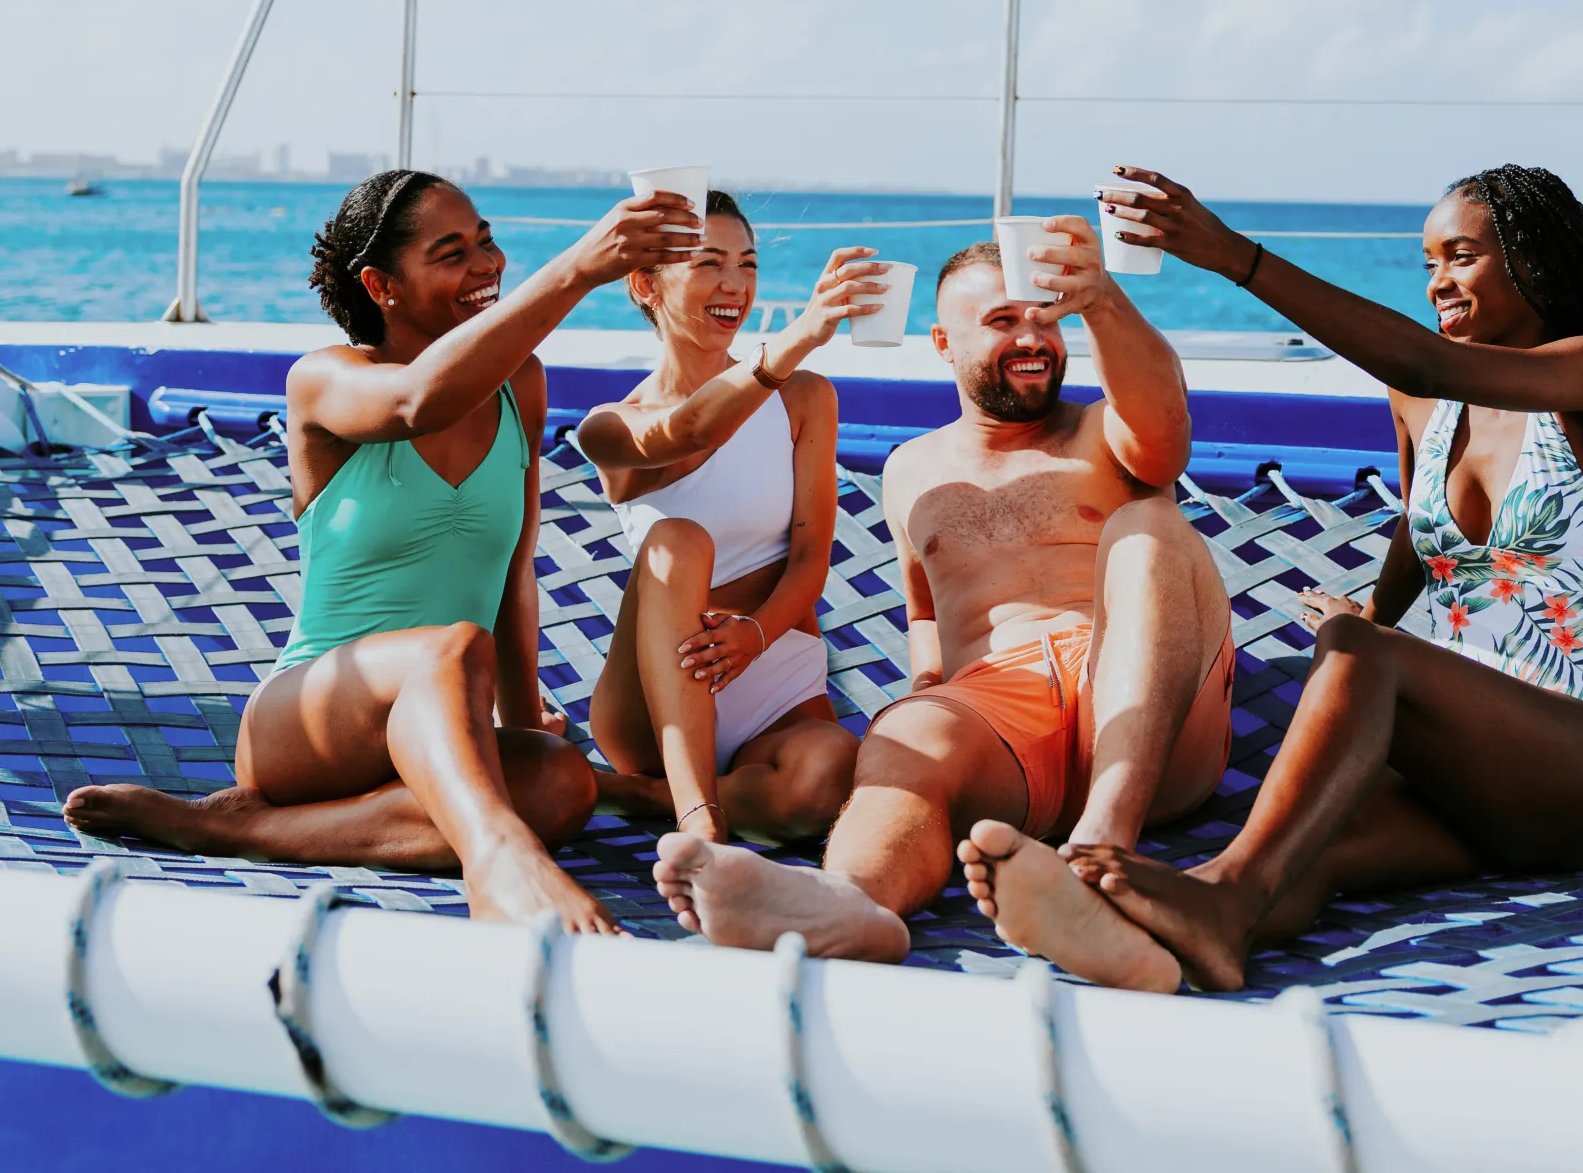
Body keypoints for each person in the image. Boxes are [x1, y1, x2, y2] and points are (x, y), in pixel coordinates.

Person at [962, 164, 1583, 992]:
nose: (1438, 282)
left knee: (1352, 660)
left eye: (1460, 257)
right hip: (1481, 775)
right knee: (1306, 854)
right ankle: (1154, 935)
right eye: (1428, 264)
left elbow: (1426, 361)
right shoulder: (1420, 400)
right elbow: (1419, 530)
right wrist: (1373, 612)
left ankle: (1214, 900)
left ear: (1533, 257)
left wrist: (1234, 257)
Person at [65, 170, 697, 928]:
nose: (487, 264)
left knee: (561, 781)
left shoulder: (520, 383)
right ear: (381, 285)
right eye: (452, 253)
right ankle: (499, 857)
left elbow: (512, 578)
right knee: (451, 649)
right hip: (313, 721)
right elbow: (416, 401)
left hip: (444, 716)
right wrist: (577, 271)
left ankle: (234, 828)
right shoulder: (327, 379)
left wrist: (522, 727)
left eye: (487, 241)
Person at [648, 217, 1236, 964]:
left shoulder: (1105, 430)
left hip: (1148, 709)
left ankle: (1098, 857)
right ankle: (850, 903)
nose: (1032, 337)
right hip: (1005, 723)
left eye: (1047, 318)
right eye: (1002, 321)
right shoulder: (910, 469)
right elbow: (924, 611)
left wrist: (1102, 300)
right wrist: (927, 698)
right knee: (907, 735)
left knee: (1148, 525)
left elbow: (1165, 424)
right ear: (943, 344)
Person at [579, 192, 878, 845]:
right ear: (645, 284)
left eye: (747, 264)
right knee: (677, 539)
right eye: (709, 263)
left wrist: (756, 636)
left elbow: (811, 558)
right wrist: (796, 340)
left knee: (829, 777)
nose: (735, 285)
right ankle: (697, 815)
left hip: (772, 672)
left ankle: (642, 797)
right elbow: (689, 430)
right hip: (656, 698)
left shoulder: (804, 398)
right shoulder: (612, 426)